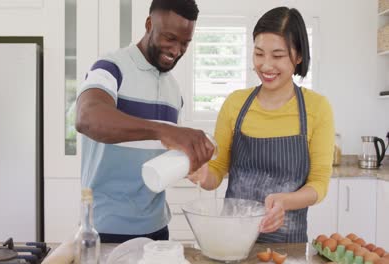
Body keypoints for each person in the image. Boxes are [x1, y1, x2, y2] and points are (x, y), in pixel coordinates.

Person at [189, 7, 335, 243]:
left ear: (298, 57)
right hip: (232, 240)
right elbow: (217, 170)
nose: (266, 65)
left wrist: (285, 201)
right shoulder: (235, 103)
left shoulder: (317, 108)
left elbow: (319, 183)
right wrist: (204, 175)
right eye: (259, 54)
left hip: (289, 244)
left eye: (277, 56)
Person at [75, 0, 215, 243]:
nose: (177, 50)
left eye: (185, 43)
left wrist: (189, 161)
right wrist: (164, 131)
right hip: (106, 228)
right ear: (149, 24)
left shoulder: (173, 91)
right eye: (170, 38)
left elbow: (158, 155)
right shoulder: (111, 68)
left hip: (158, 227)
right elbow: (87, 117)